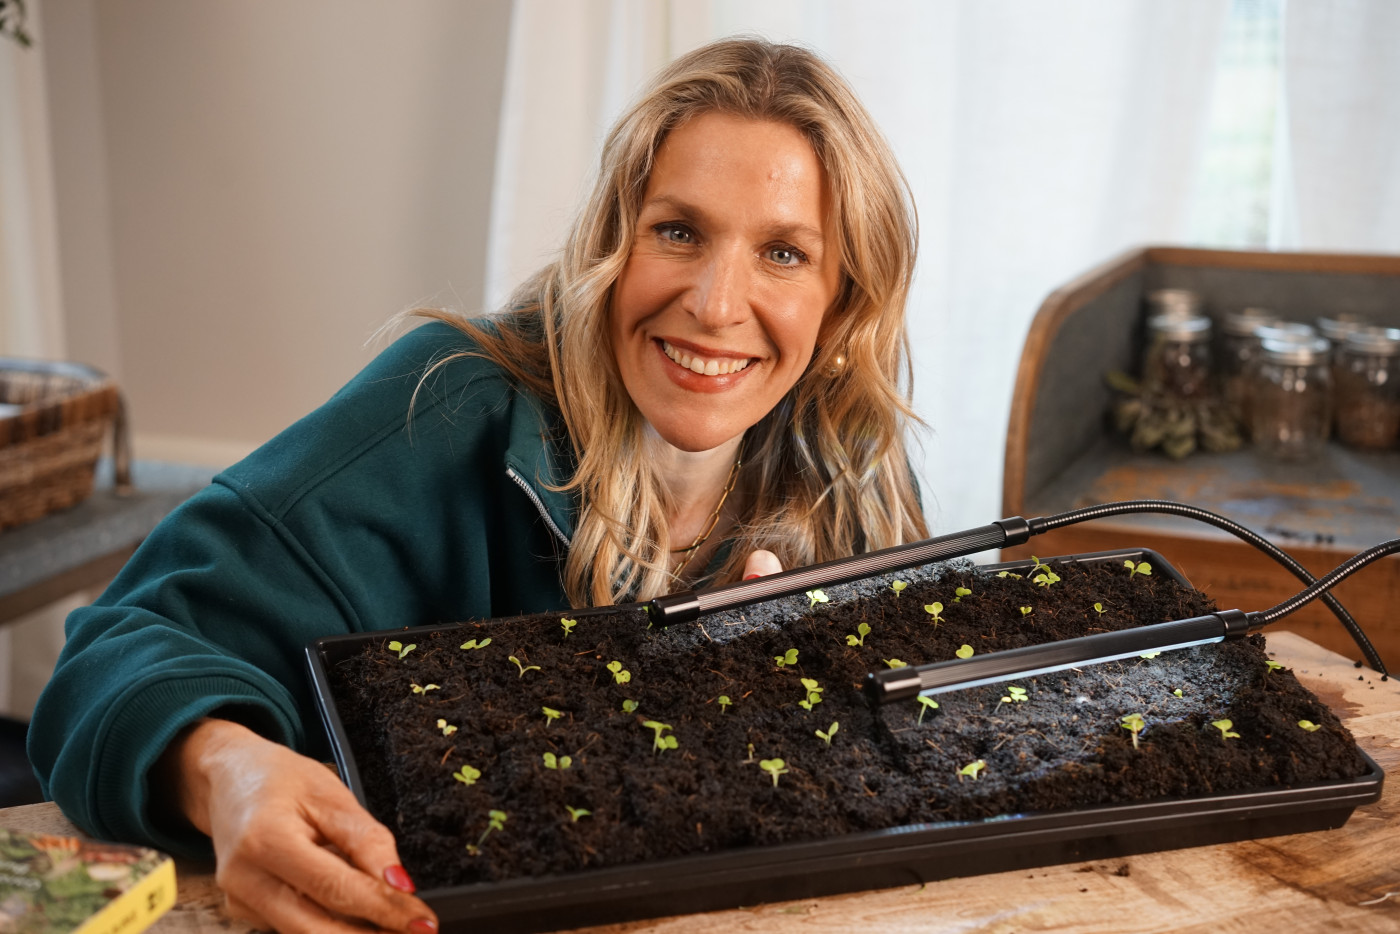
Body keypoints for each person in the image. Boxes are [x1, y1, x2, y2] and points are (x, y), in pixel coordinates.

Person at [29, 37, 927, 934]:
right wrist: (225, 770)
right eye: (679, 231)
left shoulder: (851, 460)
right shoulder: (451, 399)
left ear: (842, 300)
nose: (717, 302)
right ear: (612, 239)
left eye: (783, 254)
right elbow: (110, 656)